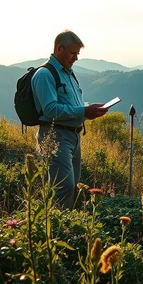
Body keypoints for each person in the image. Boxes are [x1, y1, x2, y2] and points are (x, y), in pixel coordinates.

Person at [31, 30, 108, 208]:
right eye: (73, 53)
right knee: (64, 186)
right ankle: (56, 228)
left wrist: (89, 110)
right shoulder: (44, 74)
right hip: (55, 136)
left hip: (73, 136)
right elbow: (50, 109)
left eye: (77, 54)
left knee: (71, 186)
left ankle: (61, 224)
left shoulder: (68, 73)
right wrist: (83, 111)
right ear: (59, 48)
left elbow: (70, 103)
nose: (76, 58)